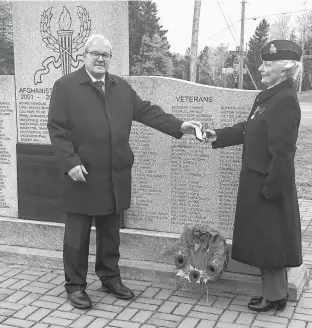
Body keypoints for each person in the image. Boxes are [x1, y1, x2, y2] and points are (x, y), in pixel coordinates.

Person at [47, 34, 201, 309]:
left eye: (105, 55)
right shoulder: (66, 87)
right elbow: (57, 129)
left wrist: (180, 126)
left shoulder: (120, 87)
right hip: (81, 175)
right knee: (77, 236)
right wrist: (70, 162)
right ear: (84, 56)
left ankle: (109, 277)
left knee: (110, 232)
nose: (100, 59)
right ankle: (75, 286)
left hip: (114, 175)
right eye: (95, 54)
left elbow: (147, 111)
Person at [203, 40, 303, 312]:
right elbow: (250, 128)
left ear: (284, 70)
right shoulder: (270, 96)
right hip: (259, 180)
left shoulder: (284, 101)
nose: (261, 68)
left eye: (267, 64)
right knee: (266, 241)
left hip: (270, 183)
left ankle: (276, 296)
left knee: (272, 242)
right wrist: (219, 135)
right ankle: (272, 292)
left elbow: (283, 154)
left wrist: (271, 190)